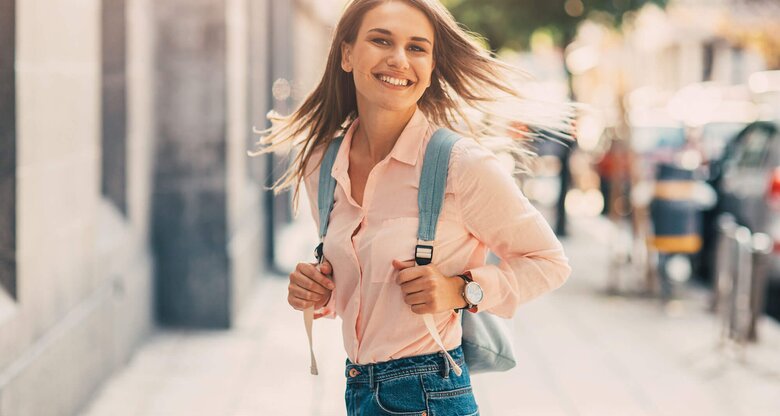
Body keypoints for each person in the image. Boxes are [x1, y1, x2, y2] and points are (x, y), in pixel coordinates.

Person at [252, 1, 572, 414]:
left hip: (430, 396)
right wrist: (318, 292)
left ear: (432, 66)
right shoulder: (322, 163)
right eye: (381, 40)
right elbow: (362, 287)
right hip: (358, 390)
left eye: (417, 48)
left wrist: (462, 289)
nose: (399, 59)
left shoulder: (461, 164)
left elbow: (549, 261)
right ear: (347, 54)